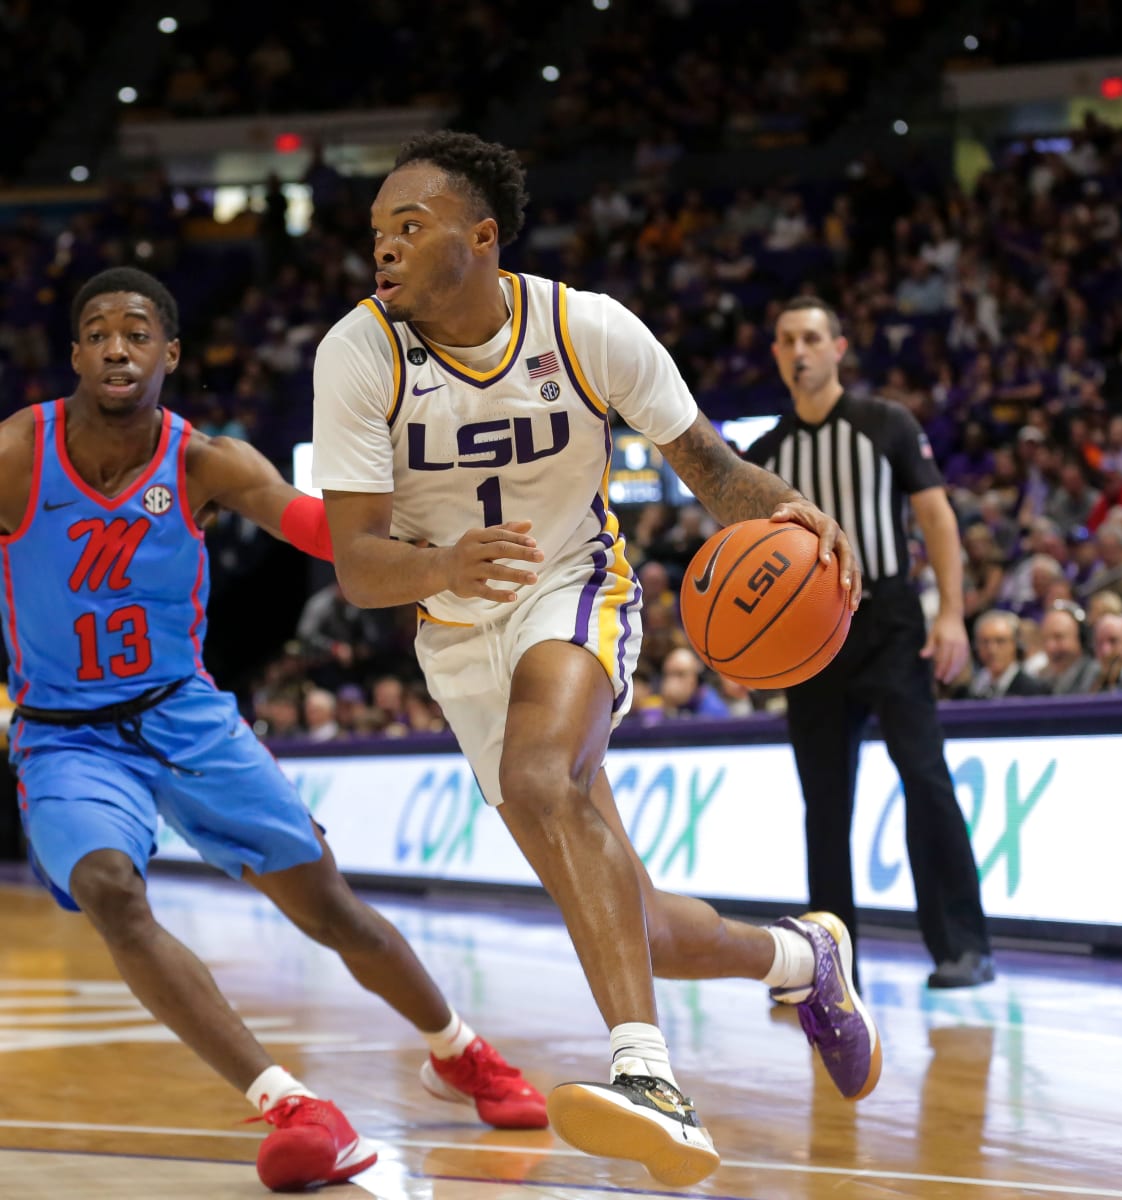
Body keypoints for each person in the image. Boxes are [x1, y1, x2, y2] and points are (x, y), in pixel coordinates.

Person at [310, 131, 879, 1189]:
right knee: (643, 925)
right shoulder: (357, 352)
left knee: (539, 774)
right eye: (377, 230)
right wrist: (442, 564)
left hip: (575, 585)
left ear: (480, 239)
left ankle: (648, 1078)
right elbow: (356, 568)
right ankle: (807, 961)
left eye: (408, 225)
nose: (382, 248)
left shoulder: (586, 328)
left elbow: (708, 468)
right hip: (453, 626)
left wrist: (794, 512)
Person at [0, 267, 546, 1195]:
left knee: (328, 907)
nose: (117, 348)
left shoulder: (206, 460)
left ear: (171, 355)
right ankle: (292, 1105)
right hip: (64, 735)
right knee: (110, 891)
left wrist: (440, 556)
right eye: (98, 333)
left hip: (187, 716)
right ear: (77, 355)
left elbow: (317, 529)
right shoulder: (18, 452)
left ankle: (457, 1050)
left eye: (137, 333)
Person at [743, 295, 994, 991]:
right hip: (810, 634)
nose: (800, 350)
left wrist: (951, 615)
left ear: (838, 348)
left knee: (924, 775)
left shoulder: (887, 423)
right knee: (824, 801)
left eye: (813, 337)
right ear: (777, 353)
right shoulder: (767, 456)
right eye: (788, 338)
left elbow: (938, 520)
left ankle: (962, 946)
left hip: (887, 617)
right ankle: (828, 968)